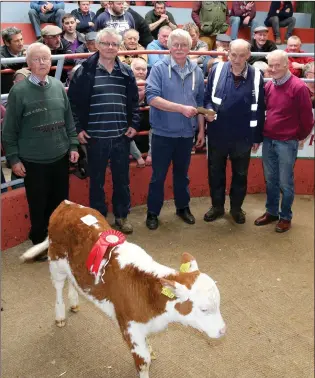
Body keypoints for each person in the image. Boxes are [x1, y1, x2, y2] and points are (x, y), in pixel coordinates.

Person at [2, 42, 79, 261]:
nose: (42, 62)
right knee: (38, 204)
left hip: (59, 156)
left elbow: (68, 119)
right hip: (33, 161)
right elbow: (9, 130)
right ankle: (38, 242)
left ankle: (57, 241)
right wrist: (14, 159)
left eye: (46, 58)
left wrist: (72, 145)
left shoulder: (57, 86)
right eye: (36, 59)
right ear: (28, 63)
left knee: (60, 203)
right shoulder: (19, 91)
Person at [68, 28, 140, 234]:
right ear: (97, 45)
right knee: (96, 182)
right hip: (94, 138)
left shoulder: (126, 72)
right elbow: (72, 103)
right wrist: (78, 128)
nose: (110, 47)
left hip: (120, 137)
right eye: (106, 43)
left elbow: (134, 103)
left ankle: (121, 216)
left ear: (119, 47)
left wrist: (134, 124)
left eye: (114, 44)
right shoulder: (83, 71)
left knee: (122, 181)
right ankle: (99, 219)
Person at [145, 29, 205, 230]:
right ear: (169, 47)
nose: (179, 48)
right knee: (158, 176)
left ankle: (183, 207)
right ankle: (152, 212)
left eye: (184, 45)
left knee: (182, 174)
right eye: (176, 45)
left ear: (190, 47)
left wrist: (201, 131)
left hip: (186, 134)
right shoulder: (159, 69)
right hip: (162, 133)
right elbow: (151, 98)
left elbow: (200, 103)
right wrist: (181, 108)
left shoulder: (196, 71)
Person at [203, 39, 265, 225]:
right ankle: (217, 207)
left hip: (243, 136)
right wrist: (207, 112)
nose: (236, 59)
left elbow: (260, 107)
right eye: (233, 54)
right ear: (228, 53)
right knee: (215, 172)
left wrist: (256, 137)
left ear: (248, 55)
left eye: (241, 55)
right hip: (217, 133)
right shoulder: (217, 70)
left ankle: (236, 209)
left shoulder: (256, 75)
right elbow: (207, 98)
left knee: (240, 175)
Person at [254, 50, 314, 232]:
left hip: (287, 142)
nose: (272, 69)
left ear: (286, 64)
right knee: (271, 179)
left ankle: (285, 216)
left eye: (277, 65)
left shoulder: (299, 87)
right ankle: (272, 212)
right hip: (269, 139)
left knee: (285, 182)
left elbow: (307, 120)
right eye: (270, 65)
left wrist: (297, 136)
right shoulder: (270, 86)